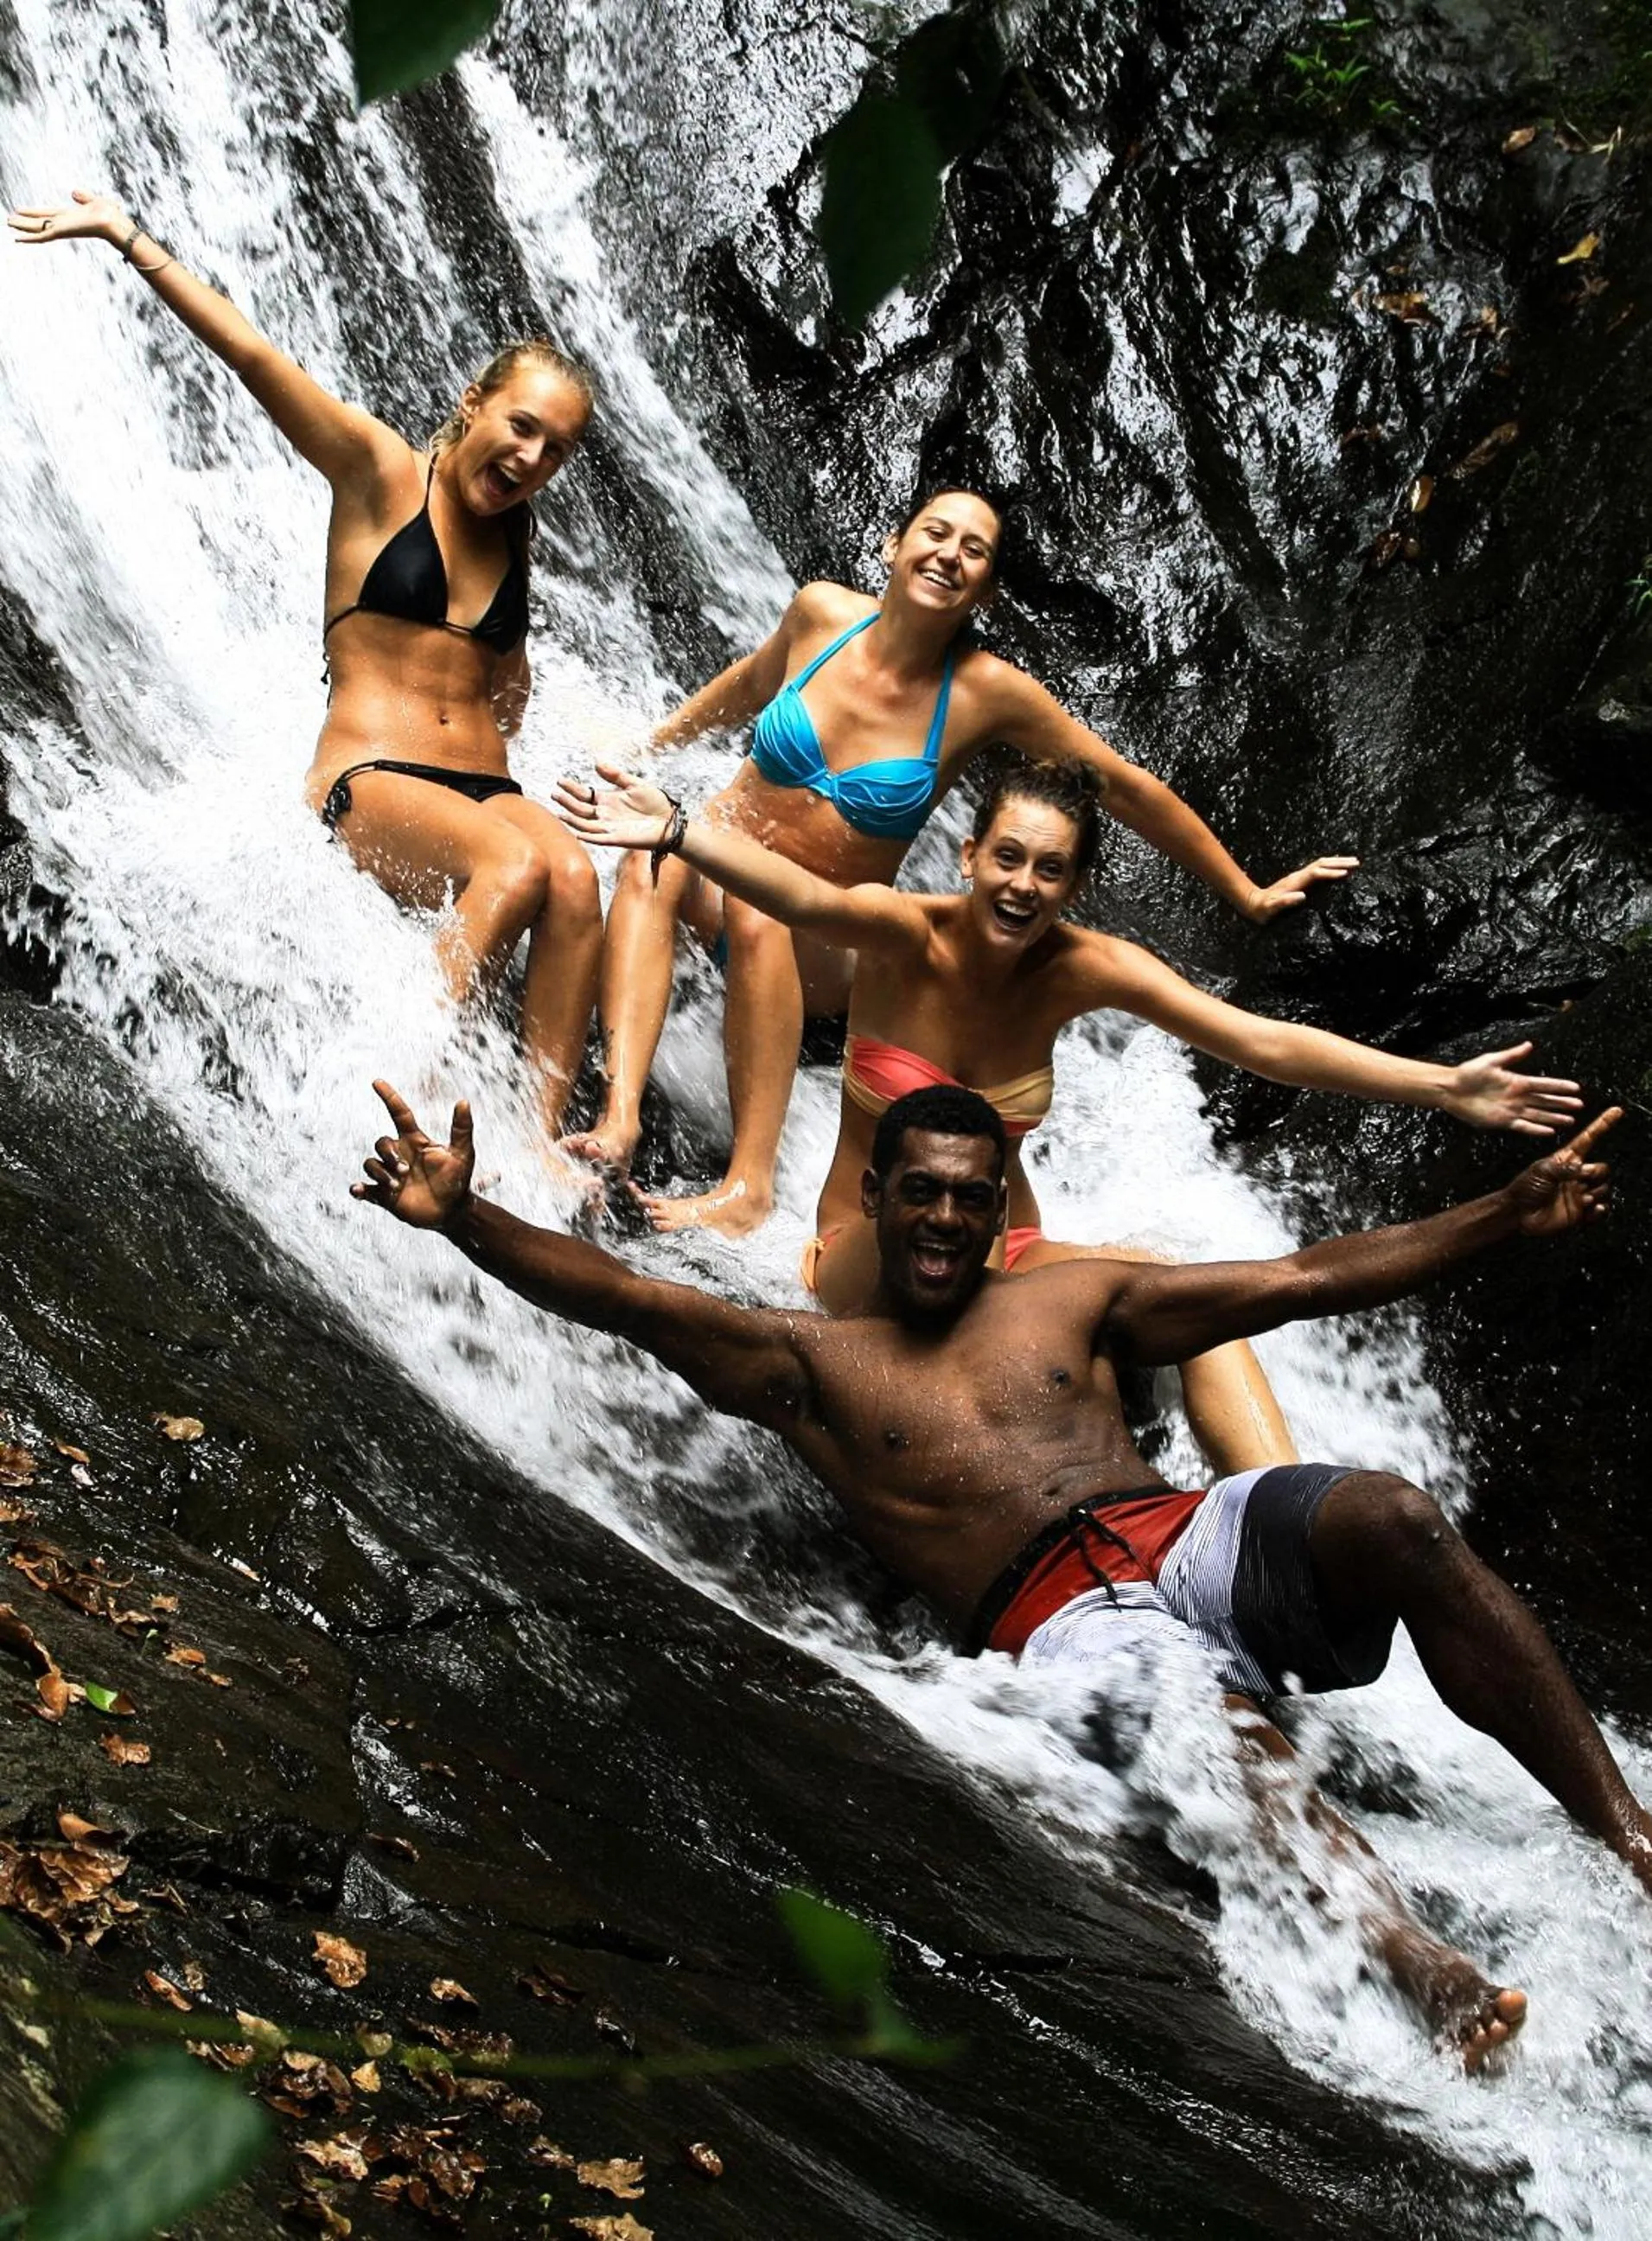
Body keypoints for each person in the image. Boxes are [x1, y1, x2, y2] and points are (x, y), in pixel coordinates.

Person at [354, 1076, 1639, 2067]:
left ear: (999, 1199)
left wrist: (1505, 1216)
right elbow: (629, 1298)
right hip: (1062, 1622)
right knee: (1201, 1713)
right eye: (924, 1191)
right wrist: (466, 1214)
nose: (948, 1218)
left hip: (1183, 1544)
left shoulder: (1070, 1300)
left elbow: (1299, 1278)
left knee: (1394, 1517)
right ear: (874, 1190)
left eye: (973, 1195)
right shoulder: (815, 1368)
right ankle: (1421, 1967)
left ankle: (1624, 1836)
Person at [555, 751, 1580, 1476]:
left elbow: (1257, 1041)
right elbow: (796, 896)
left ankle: (1283, 1510)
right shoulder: (898, 931)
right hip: (865, 1252)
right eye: (1007, 857)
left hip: (1015, 1248)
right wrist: (678, 829)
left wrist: (1446, 1086)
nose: (1022, 885)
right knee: (941, 1295)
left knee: (1201, 1306)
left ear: (1076, 883)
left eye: (1050, 869)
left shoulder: (1088, 968)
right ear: (969, 856)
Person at [563, 487, 1359, 1233]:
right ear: (893, 547)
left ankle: (747, 1190)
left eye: (973, 551)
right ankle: (619, 1120)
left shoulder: (986, 694)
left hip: (826, 946)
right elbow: (749, 684)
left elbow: (1122, 787)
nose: (949, 554)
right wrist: (648, 747)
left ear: (983, 593)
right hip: (713, 888)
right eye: (935, 534)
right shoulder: (819, 613)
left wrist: (1245, 894)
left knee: (760, 902)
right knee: (653, 857)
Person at [7, 188, 603, 1140]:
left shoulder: (515, 529)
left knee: (574, 877)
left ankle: (540, 1141)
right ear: (474, 404)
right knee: (520, 863)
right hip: (371, 781)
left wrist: (508, 699)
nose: (534, 457)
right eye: (523, 426)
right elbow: (253, 355)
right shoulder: (377, 469)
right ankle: (405, 1105)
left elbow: (508, 667)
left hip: (483, 787)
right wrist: (126, 238)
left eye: (556, 449)